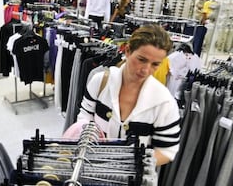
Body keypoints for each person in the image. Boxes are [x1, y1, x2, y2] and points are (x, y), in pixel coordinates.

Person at [75, 24, 180, 166]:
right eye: (142, 59)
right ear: (128, 51)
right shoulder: (100, 82)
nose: (146, 70)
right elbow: (84, 117)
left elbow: (166, 150)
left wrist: (131, 164)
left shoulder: (164, 103)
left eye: (155, 64)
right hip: (91, 168)